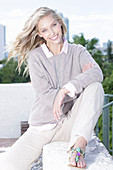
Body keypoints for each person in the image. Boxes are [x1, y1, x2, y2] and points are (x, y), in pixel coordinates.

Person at [0, 7, 104, 170]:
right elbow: (45, 95)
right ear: (39, 34)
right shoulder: (36, 57)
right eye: (45, 30)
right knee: (6, 166)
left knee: (95, 87)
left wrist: (66, 89)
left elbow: (97, 73)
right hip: (42, 128)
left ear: (60, 24)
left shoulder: (78, 51)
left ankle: (78, 148)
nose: (52, 32)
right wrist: (78, 86)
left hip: (70, 124)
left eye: (54, 25)